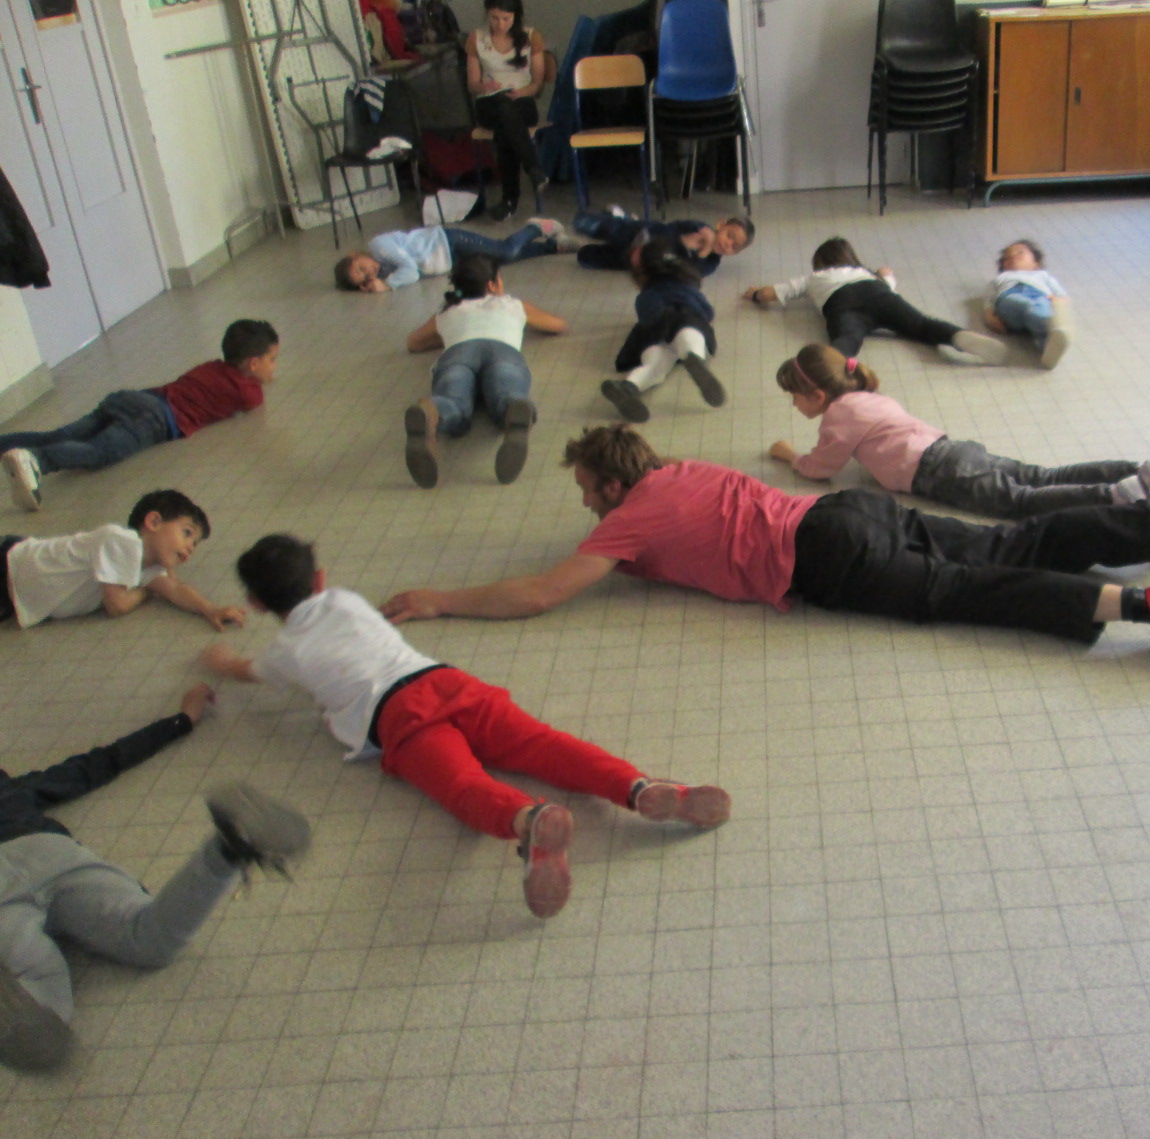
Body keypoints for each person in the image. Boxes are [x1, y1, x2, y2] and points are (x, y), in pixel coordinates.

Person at [381, 425, 1150, 668]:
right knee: (1010, 541)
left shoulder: (626, 521)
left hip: (828, 561)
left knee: (968, 591)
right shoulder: (680, 469)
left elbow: (542, 593)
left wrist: (439, 600)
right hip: (846, 512)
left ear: (611, 486)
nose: (582, 506)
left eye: (583, 490)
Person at [202, 535, 733, 920]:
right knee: (542, 744)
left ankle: (529, 820)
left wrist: (223, 661)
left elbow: (251, 672)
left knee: (462, 785)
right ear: (320, 579)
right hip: (447, 682)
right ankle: (636, 787)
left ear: (255, 602)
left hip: (396, 718)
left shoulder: (285, 652)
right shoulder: (346, 600)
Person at [0, 682, 311, 1072]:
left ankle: (32, 1014)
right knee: (147, 935)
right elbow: (97, 764)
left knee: (36, 969)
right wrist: (182, 720)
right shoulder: (13, 788)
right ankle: (228, 848)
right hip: (48, 852)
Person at [769, 343, 1150, 518]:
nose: (793, 404)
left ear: (817, 395)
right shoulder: (864, 394)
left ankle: (1113, 496)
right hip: (952, 449)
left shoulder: (837, 417)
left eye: (794, 396)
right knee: (1041, 476)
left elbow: (822, 467)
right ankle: (1141, 469)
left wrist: (790, 455)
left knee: (1019, 502)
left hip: (935, 471)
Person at [0, 320, 278, 513]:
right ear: (253, 363)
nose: (274, 367)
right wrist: (262, 381)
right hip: (155, 419)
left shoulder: (212, 366)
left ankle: (7, 444)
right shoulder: (246, 391)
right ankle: (36, 461)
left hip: (135, 398)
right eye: (272, 360)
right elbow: (255, 402)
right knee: (99, 451)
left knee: (62, 434)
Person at [402, 254, 566, 488]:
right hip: (503, 353)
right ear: (492, 285)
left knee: (453, 401)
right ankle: (514, 407)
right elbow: (557, 325)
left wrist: (448, 335)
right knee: (506, 389)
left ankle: (433, 412)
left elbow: (413, 342)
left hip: (458, 354)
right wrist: (521, 323)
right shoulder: (513, 305)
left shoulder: (448, 310)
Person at [0, 490, 244, 631]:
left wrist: (210, 609)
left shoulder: (148, 566)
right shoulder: (120, 541)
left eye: (195, 544)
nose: (190, 547)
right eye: (186, 533)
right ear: (154, 522)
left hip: (14, 598)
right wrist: (146, 591)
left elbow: (176, 590)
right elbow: (117, 605)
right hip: (8, 565)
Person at [744, 237, 1008, 364]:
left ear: (820, 264)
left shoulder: (814, 277)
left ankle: (827, 371)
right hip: (877, 293)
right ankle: (958, 337)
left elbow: (773, 293)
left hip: (842, 304)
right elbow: (888, 287)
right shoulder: (864, 272)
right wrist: (886, 276)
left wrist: (755, 294)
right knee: (921, 325)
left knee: (848, 339)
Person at [600, 237, 724, 423]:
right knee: (689, 333)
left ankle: (629, 386)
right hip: (683, 317)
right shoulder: (686, 287)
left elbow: (646, 314)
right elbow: (707, 312)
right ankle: (694, 358)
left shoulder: (648, 293)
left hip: (652, 332)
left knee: (656, 361)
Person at [333, 218, 577, 292]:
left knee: (505, 250)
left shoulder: (378, 246)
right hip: (451, 260)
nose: (370, 272)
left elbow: (411, 270)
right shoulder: (384, 270)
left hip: (449, 241)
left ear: (356, 255)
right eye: (364, 277)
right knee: (502, 259)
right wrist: (377, 283)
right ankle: (553, 246)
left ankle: (536, 227)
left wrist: (387, 285)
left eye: (362, 267)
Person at [468, 0, 549, 221]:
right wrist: (485, 86)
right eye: (495, 18)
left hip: (522, 101)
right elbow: (472, 85)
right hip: (489, 102)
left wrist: (522, 92)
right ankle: (533, 167)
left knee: (506, 123)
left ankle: (509, 201)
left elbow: (537, 84)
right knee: (504, 111)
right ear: (487, 14)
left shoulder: (531, 36)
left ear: (516, 16)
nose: (501, 24)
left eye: (506, 19)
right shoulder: (476, 38)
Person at [571, 207, 754, 276]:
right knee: (617, 230)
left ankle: (585, 252)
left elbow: (691, 273)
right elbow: (669, 229)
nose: (728, 244)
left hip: (646, 260)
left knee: (601, 259)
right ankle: (604, 220)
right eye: (729, 236)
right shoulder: (699, 227)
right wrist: (682, 241)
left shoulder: (711, 262)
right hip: (645, 234)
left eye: (734, 247)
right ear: (721, 225)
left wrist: (702, 252)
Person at [982, 239, 1073, 369]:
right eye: (1007, 258)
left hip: (1039, 296)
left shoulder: (1043, 275)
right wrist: (989, 316)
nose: (1013, 257)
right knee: (1027, 306)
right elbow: (989, 300)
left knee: (1039, 308)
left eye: (1020, 253)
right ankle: (1048, 338)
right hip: (1010, 297)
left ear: (1036, 263)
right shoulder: (999, 279)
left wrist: (1059, 300)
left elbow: (1061, 295)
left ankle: (1049, 346)